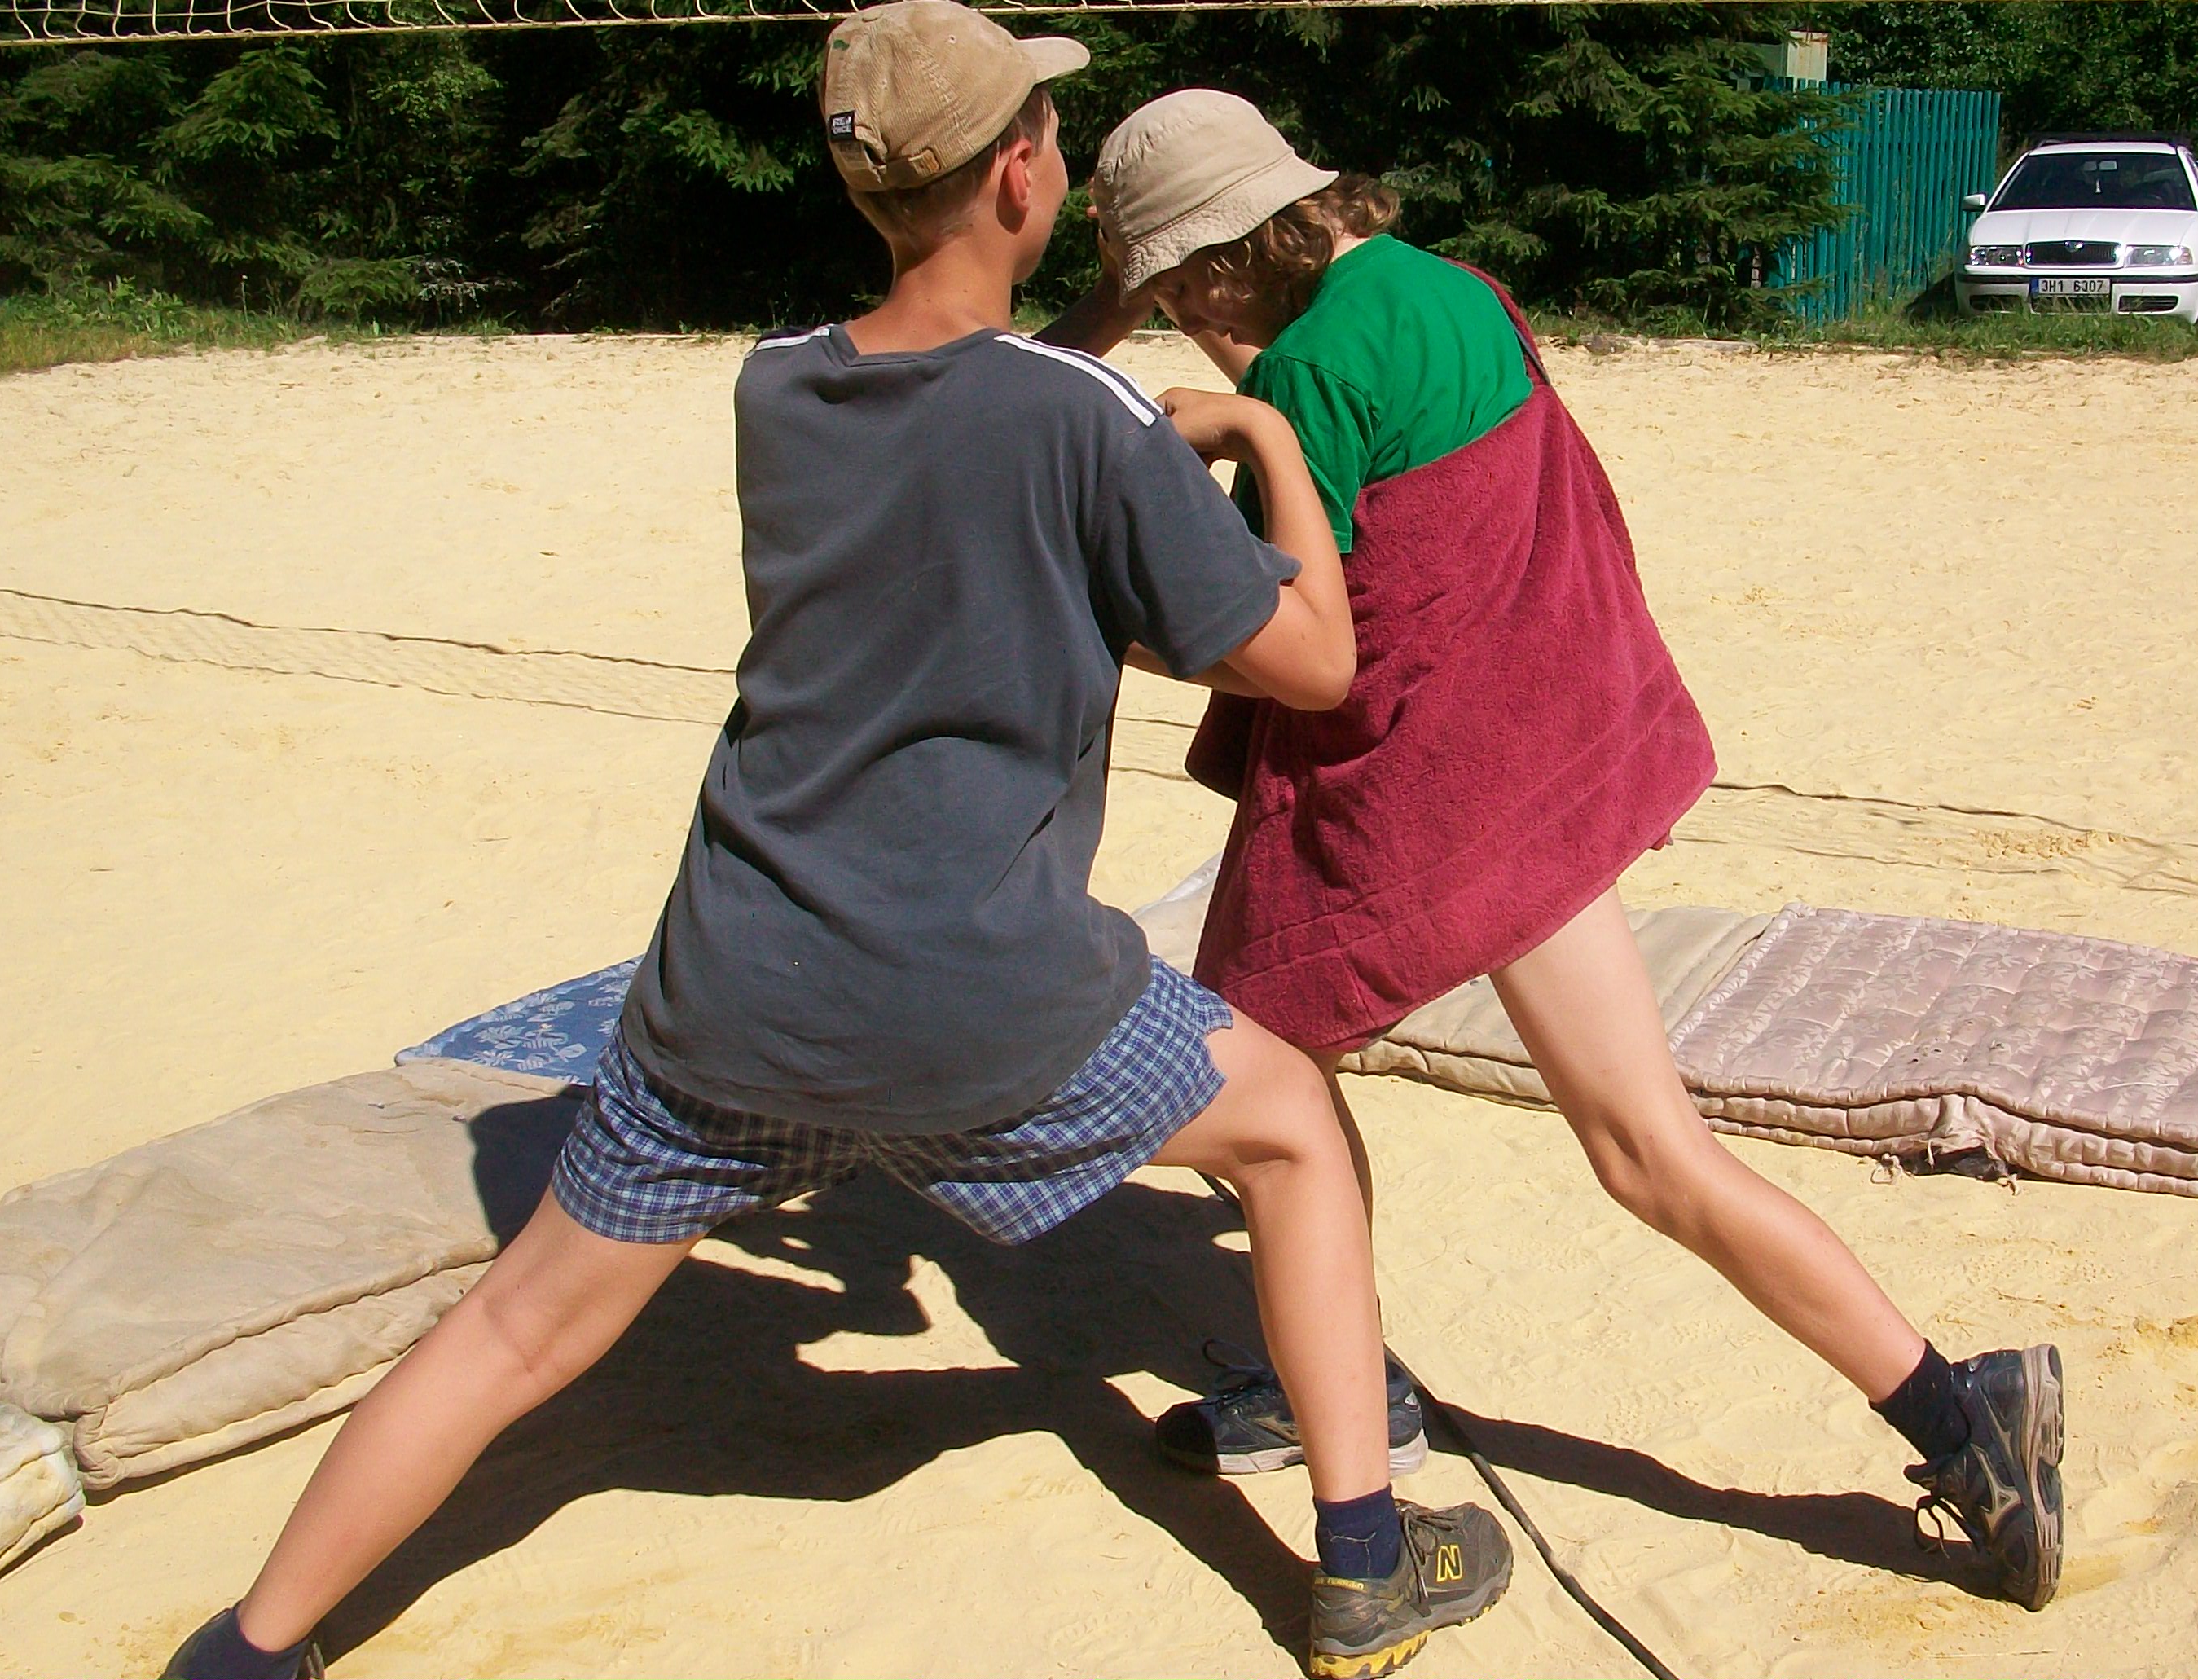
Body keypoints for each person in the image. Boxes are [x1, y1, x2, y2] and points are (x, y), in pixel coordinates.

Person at [159, 18, 1513, 1679]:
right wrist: (1270, 445)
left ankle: (251, 1642)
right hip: (985, 999)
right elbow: (1310, 662)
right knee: (1290, 1127)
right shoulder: (1093, 424)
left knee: (515, 1326)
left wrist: (1100, 328)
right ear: (1022, 175)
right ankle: (1366, 1559)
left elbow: (973, 388)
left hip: (732, 987)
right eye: (1044, 130)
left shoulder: (780, 383)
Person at [1043, 88, 2067, 1611]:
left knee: (1275, 1092)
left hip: (1435, 798)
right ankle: (1956, 1411)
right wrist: (1190, 343)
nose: (1182, 323)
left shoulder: (1306, 377)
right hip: (1536, 754)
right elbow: (1458, 518)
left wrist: (1098, 603)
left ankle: (1348, 1390)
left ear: (1220, 265)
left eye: (1180, 292)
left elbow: (1292, 643)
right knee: (1647, 1149)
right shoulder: (1455, 289)